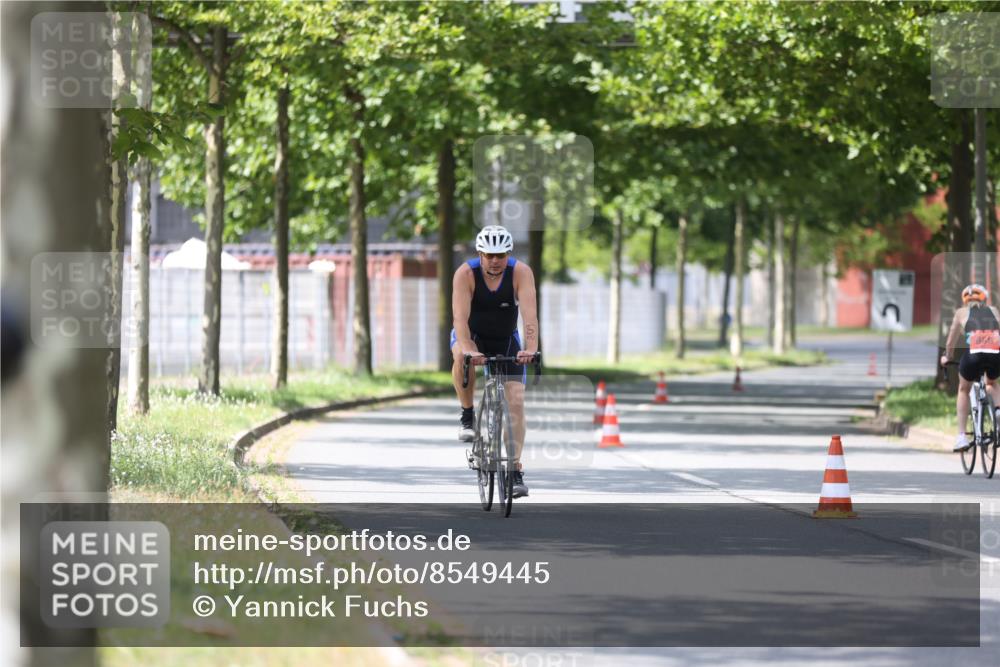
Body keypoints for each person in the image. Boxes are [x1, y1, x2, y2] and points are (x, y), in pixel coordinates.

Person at [451, 225, 539, 498]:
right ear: (480, 254)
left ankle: (513, 470)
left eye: (500, 255)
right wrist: (469, 350)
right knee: (460, 355)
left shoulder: (521, 272)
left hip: (505, 338)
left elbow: (530, 317)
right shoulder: (465, 274)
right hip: (472, 335)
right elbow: (459, 320)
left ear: (508, 254)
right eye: (489, 255)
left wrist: (531, 348)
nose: (495, 261)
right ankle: (467, 414)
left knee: (516, 403)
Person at [940, 283, 1000, 451]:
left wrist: (947, 357)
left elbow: (950, 341)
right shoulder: (994, 310)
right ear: (984, 298)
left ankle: (961, 437)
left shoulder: (961, 313)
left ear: (965, 300)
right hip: (995, 353)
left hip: (974, 355)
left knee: (963, 389)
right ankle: (998, 412)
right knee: (991, 383)